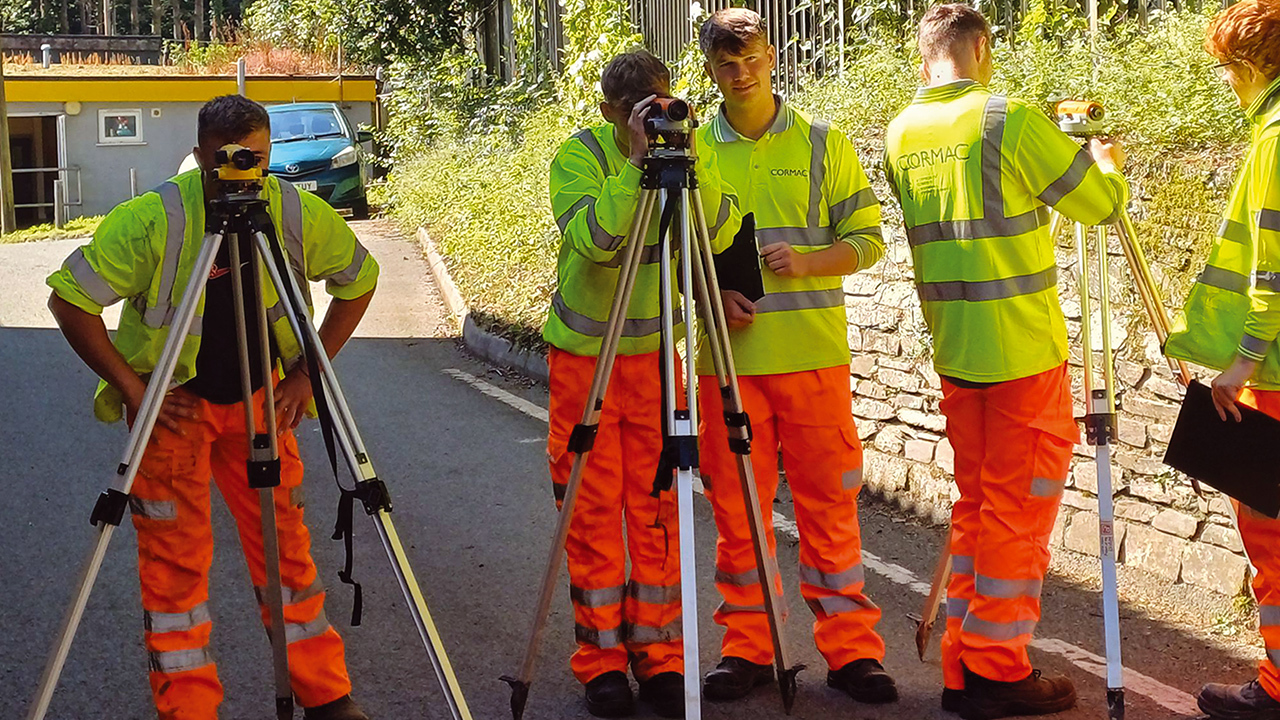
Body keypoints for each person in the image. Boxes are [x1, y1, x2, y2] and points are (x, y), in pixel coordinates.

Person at [46, 95, 378, 720]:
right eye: (226, 156)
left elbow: (359, 279)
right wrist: (134, 389)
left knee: (287, 554)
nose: (240, 169)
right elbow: (69, 299)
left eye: (253, 156)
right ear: (199, 154)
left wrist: (309, 373)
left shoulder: (292, 211)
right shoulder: (156, 219)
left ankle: (325, 695)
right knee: (175, 574)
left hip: (261, 405)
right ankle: (189, 709)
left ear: (270, 151)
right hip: (173, 412)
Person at [883, 5, 1129, 719]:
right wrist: (1103, 160)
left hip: (957, 352)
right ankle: (995, 670)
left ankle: (966, 663)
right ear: (982, 47)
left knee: (980, 512)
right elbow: (1097, 204)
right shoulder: (1009, 119)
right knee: (1017, 520)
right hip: (1021, 353)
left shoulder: (901, 133)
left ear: (924, 57)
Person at [693, 8, 896, 706]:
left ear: (773, 56)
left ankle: (851, 653)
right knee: (737, 515)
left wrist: (810, 261)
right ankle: (747, 649)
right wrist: (708, 292)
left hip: (813, 359)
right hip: (728, 361)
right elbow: (668, 252)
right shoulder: (691, 150)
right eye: (726, 62)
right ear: (711, 67)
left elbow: (869, 240)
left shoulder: (822, 143)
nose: (740, 71)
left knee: (830, 512)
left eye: (750, 58)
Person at [544, 49, 740, 718]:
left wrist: (685, 163)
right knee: (593, 518)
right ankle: (600, 663)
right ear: (606, 111)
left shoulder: (685, 154)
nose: (652, 118)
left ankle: (660, 657)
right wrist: (633, 164)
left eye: (660, 102)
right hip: (586, 365)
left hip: (656, 364)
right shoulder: (580, 157)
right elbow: (597, 239)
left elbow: (716, 232)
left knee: (657, 515)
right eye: (637, 109)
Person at [1162, 1, 1280, 717]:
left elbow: (1271, 270)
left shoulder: (1274, 137)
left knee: (1271, 531)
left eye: (1226, 69)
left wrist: (1242, 360)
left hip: (1275, 374)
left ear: (1253, 65)